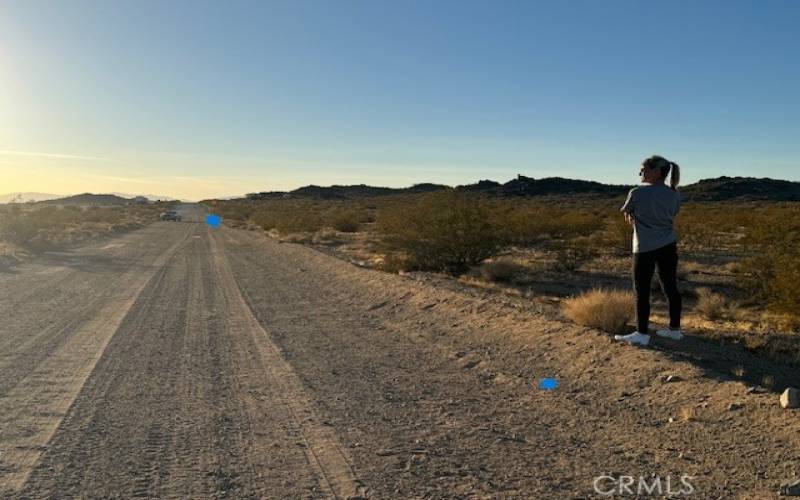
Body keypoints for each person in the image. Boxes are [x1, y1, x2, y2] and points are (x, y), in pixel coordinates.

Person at [614, 155, 683, 347]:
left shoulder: (636, 193)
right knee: (670, 286)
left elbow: (627, 212)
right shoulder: (675, 194)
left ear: (656, 171)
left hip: (643, 247)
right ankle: (675, 330)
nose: (640, 173)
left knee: (641, 289)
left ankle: (642, 333)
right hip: (668, 245)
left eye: (643, 169)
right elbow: (671, 214)